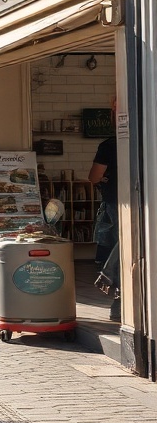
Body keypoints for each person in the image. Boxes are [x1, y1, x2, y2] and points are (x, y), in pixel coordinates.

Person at [88, 103, 119, 319]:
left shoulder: (108, 146)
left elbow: (94, 177)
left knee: (120, 246)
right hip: (142, 200)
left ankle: (109, 278)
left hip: (116, 201)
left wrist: (105, 177)